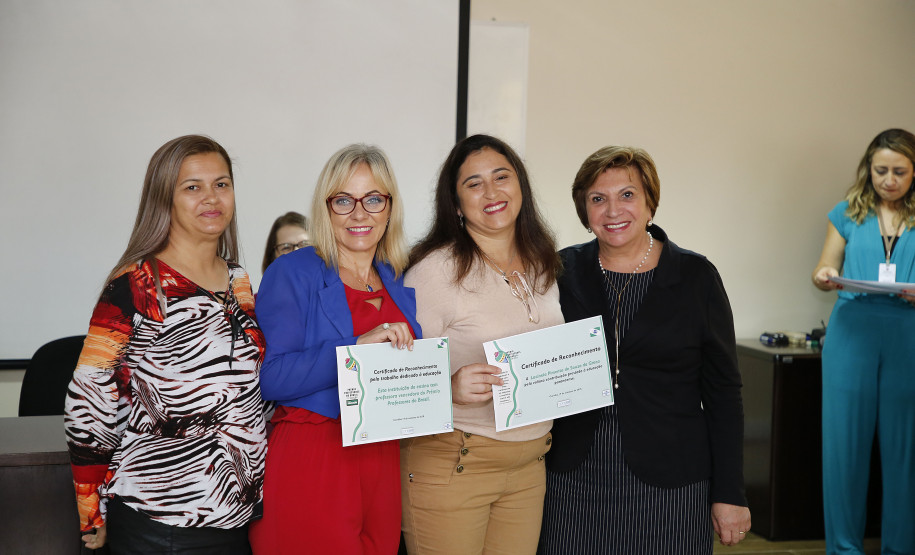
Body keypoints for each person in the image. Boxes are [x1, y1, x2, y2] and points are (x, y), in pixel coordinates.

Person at [538, 146, 750, 554]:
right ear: (585, 212)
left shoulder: (695, 276)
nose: (613, 210)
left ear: (650, 203)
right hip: (573, 479)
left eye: (628, 195)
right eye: (598, 199)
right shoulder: (561, 272)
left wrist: (730, 491)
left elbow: (724, 393)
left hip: (672, 482)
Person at [64, 135, 267, 553]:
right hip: (162, 524)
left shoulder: (239, 280)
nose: (211, 198)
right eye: (192, 187)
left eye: (221, 184)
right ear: (165, 199)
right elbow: (88, 403)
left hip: (234, 518)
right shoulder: (137, 284)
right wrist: (91, 511)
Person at [248, 144, 420, 554]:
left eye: (373, 199)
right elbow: (269, 378)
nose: (360, 214)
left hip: (383, 460)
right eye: (344, 200)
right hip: (316, 459)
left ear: (389, 206)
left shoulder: (397, 275)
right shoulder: (292, 271)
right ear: (326, 207)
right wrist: (353, 350)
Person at [402, 134, 563, 554]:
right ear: (455, 204)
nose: (491, 192)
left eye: (501, 177)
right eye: (473, 184)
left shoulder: (542, 263)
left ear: (520, 186)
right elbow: (394, 384)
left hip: (529, 466)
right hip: (457, 463)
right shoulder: (436, 271)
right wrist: (446, 386)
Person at [811, 128, 915, 554]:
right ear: (868, 169)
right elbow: (823, 269)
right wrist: (823, 278)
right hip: (851, 330)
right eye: (880, 170)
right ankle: (843, 548)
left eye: (900, 172)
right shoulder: (847, 212)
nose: (889, 180)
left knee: (904, 448)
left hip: (907, 334)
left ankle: (900, 547)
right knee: (844, 447)